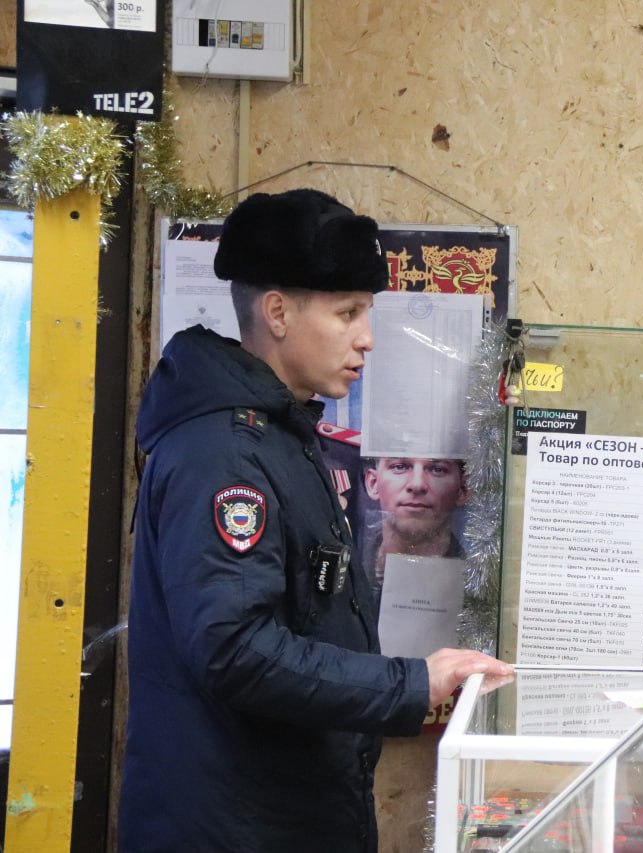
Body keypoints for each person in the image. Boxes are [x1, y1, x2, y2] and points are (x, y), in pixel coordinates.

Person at [119, 188, 513, 853]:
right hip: (236, 829)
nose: (367, 337)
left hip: (285, 813)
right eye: (347, 312)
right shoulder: (225, 454)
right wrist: (411, 684)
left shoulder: (280, 434)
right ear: (277, 312)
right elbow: (234, 649)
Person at [362, 457, 468, 586]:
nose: (417, 485)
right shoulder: (348, 571)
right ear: (374, 483)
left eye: (438, 469)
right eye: (399, 467)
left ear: (462, 490)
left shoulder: (480, 583)